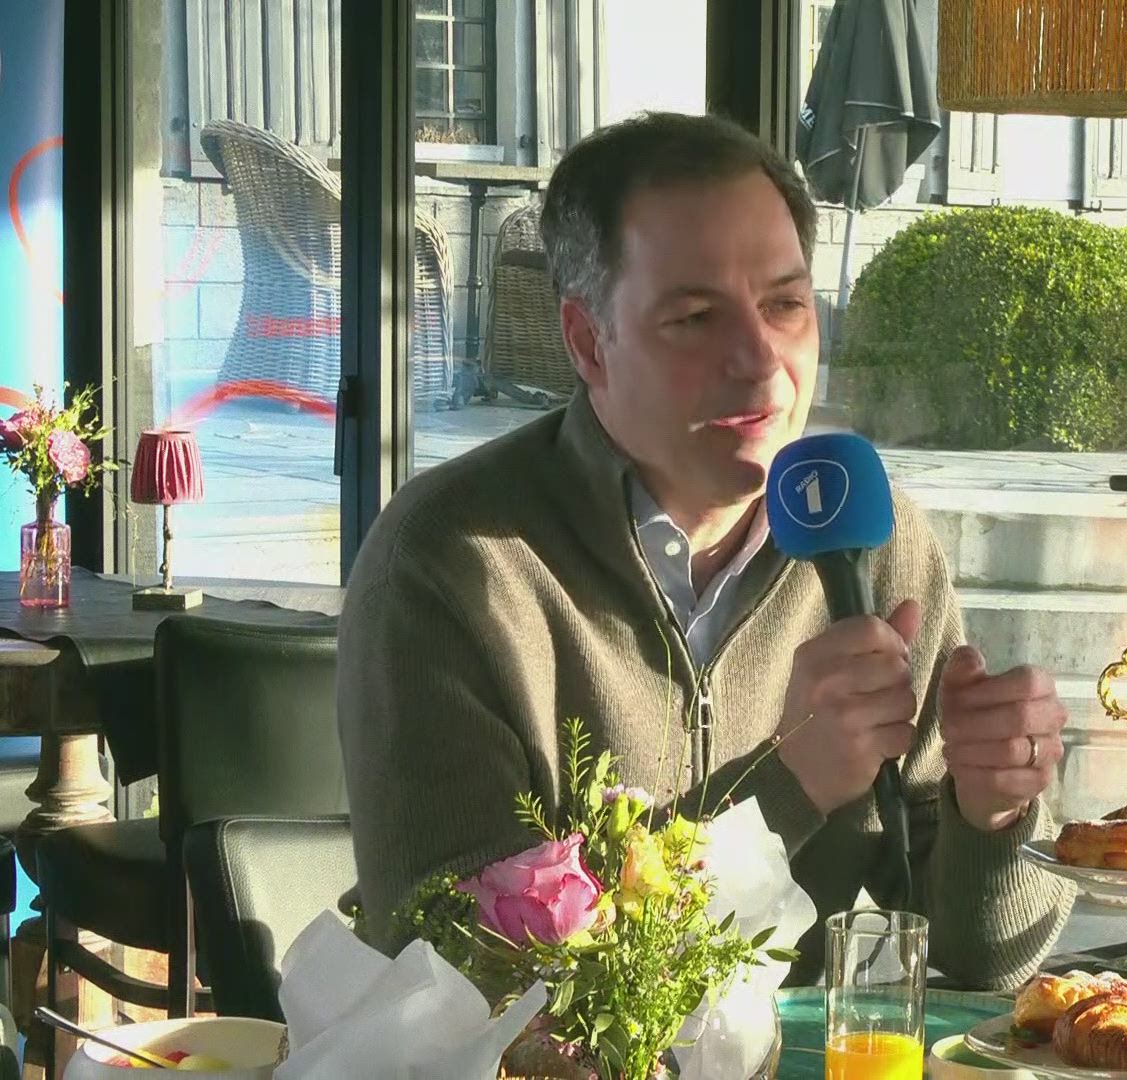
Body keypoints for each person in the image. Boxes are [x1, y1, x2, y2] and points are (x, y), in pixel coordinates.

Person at [338, 111, 1076, 988]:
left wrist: (992, 816)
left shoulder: (873, 545)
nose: (761, 362)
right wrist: (790, 784)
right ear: (588, 343)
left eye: (786, 305)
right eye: (694, 317)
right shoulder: (450, 564)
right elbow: (464, 976)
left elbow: (986, 960)